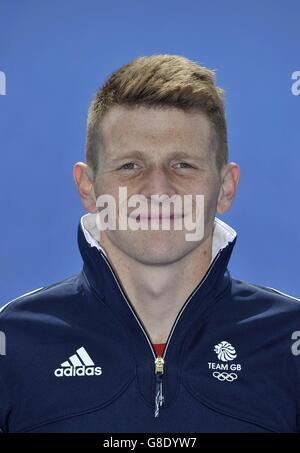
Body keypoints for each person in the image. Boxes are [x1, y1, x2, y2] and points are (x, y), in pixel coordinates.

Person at [1, 54, 300, 433]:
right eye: (130, 165)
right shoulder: (12, 344)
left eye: (183, 165)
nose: (158, 190)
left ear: (225, 188)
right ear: (88, 188)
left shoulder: (290, 341)